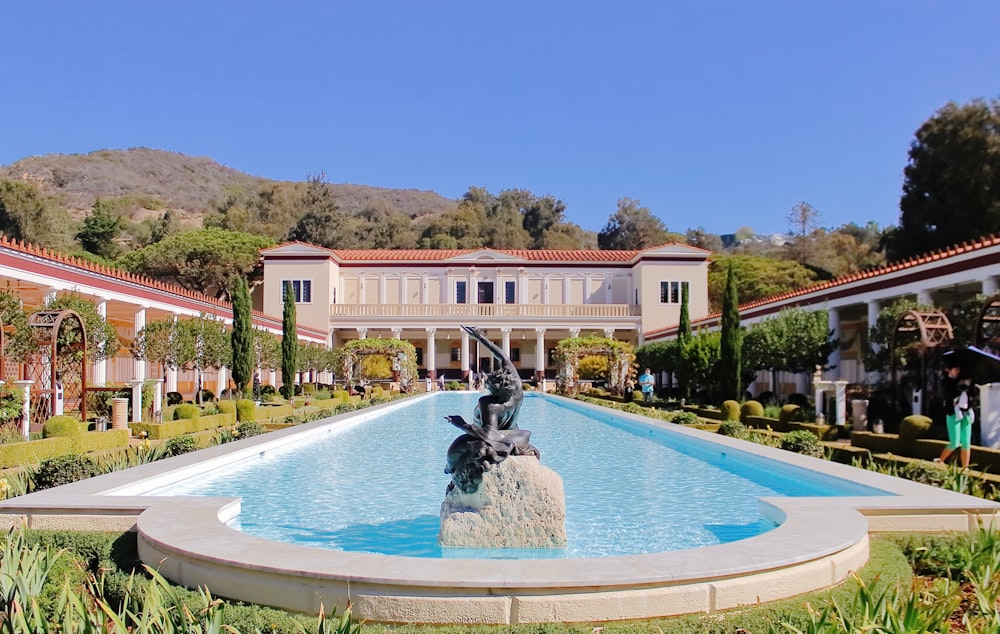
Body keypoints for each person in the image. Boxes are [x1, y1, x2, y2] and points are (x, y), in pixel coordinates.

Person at [938, 361, 974, 468]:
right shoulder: (945, 382)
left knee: (966, 442)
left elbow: (974, 394)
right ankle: (940, 461)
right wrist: (962, 386)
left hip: (966, 412)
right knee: (954, 442)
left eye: (958, 369)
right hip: (953, 413)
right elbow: (950, 395)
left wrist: (969, 385)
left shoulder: (964, 379)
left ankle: (965, 467)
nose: (958, 371)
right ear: (948, 370)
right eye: (955, 369)